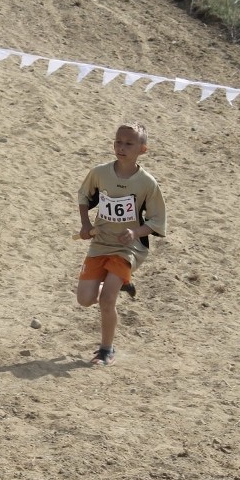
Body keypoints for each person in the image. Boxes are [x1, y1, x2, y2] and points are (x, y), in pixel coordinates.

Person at [75, 122, 166, 366]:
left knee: (107, 300)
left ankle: (106, 350)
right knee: (84, 299)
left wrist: (135, 232)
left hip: (129, 248)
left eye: (128, 143)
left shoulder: (147, 183)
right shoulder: (100, 172)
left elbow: (157, 221)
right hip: (100, 243)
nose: (121, 147)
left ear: (143, 150)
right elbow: (84, 196)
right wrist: (85, 225)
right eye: (118, 142)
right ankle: (119, 284)